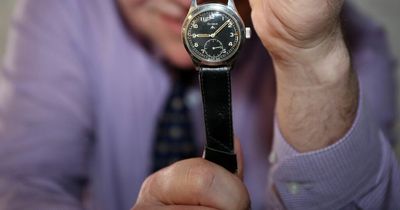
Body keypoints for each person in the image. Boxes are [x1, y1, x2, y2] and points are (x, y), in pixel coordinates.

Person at [0, 0, 399, 209]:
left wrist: (309, 55)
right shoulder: (61, 11)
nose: (187, 5)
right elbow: (26, 186)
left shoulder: (344, 45)